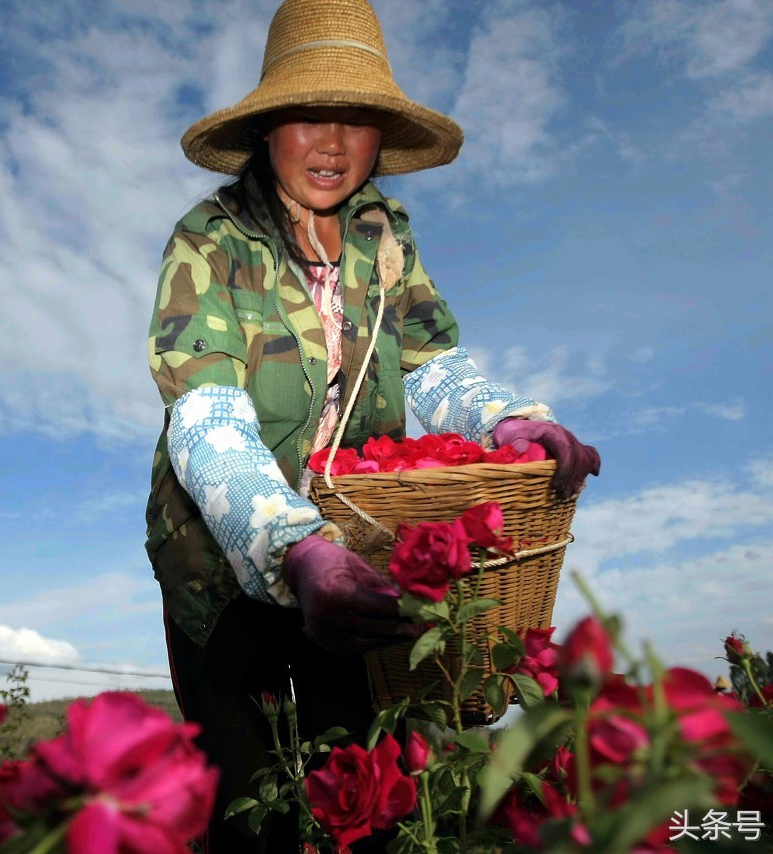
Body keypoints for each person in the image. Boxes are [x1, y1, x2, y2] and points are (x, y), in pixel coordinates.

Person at [145, 0, 600, 849]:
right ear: (268, 125)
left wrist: (505, 423)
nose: (331, 143)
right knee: (252, 805)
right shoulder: (211, 240)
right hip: (221, 569)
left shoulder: (383, 236)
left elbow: (431, 366)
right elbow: (204, 413)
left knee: (364, 788)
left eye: (357, 120)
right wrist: (295, 547)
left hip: (357, 553)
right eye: (309, 115)